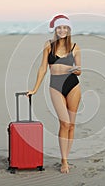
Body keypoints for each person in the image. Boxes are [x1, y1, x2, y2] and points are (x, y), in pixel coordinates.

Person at [27, 14, 81, 173]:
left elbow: (79, 70)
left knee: (71, 125)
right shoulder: (48, 45)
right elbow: (43, 68)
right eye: (59, 27)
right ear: (55, 29)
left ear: (69, 29)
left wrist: (76, 70)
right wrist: (35, 89)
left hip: (73, 85)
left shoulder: (75, 47)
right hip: (55, 85)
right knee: (64, 123)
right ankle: (63, 161)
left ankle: (67, 157)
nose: (62, 30)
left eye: (65, 27)